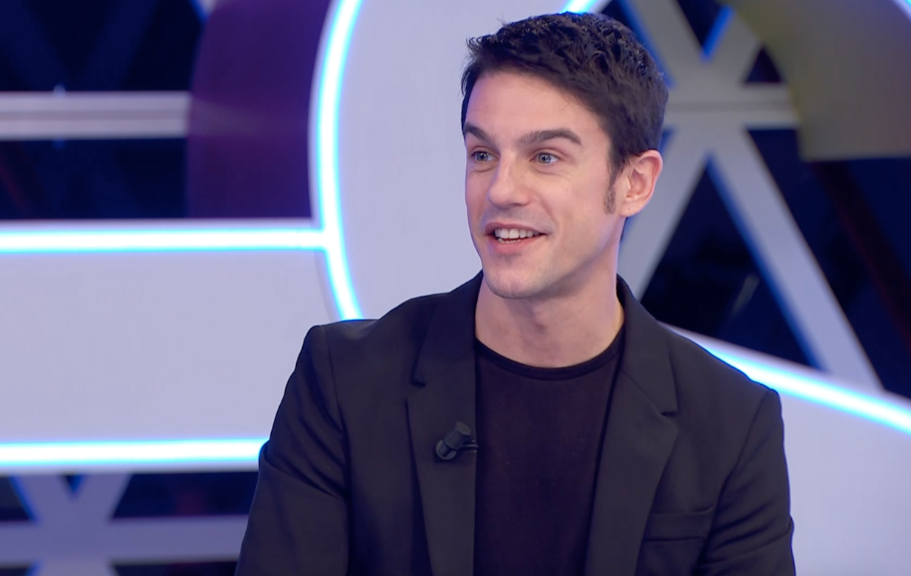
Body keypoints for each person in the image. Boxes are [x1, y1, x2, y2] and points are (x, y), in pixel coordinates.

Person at [236, 12, 795, 576]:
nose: (501, 191)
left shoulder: (730, 424)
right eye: (483, 155)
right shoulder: (345, 383)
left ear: (635, 183)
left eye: (545, 157)